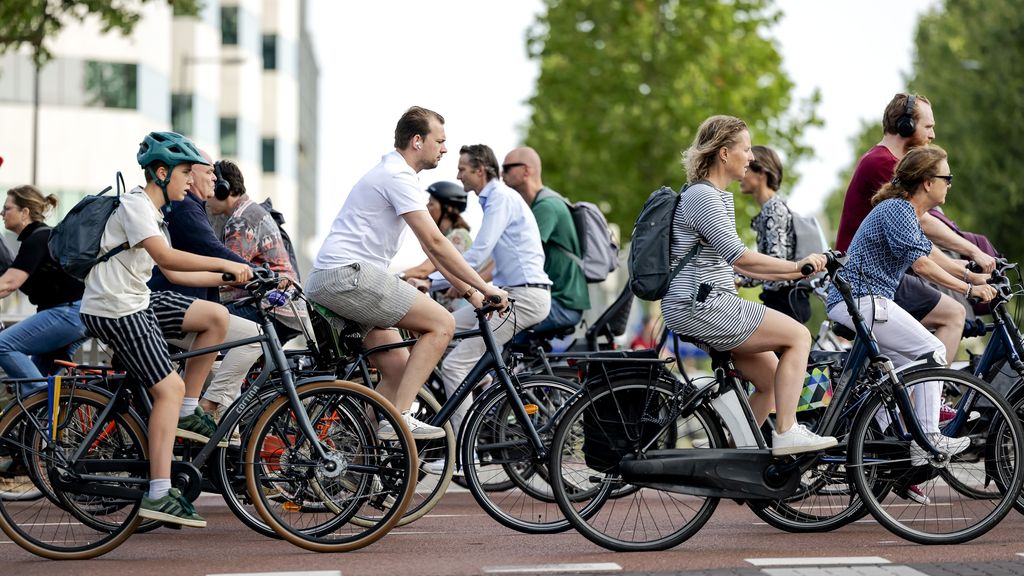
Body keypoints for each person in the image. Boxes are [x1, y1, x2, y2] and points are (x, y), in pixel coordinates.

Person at [79, 131, 252, 527]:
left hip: (136, 300)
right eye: (186, 173)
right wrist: (225, 265)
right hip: (115, 308)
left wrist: (228, 278)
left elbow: (170, 270)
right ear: (161, 172)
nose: (192, 181)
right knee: (168, 388)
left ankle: (189, 412)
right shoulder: (136, 205)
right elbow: (166, 255)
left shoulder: (156, 214)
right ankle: (159, 492)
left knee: (216, 318)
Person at [306, 106, 508, 440]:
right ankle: (398, 418)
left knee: (399, 370)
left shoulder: (396, 175)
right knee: (442, 324)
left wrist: (472, 293)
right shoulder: (397, 176)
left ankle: (352, 451)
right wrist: (486, 290)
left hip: (338, 278)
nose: (444, 149)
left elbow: (433, 250)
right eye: (440, 141)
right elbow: (435, 242)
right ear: (417, 141)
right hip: (347, 276)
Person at [661, 115, 836, 456]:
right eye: (745, 149)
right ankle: (787, 432)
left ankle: (728, 459)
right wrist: (796, 266)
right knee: (798, 336)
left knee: (771, 381)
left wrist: (796, 272)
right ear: (724, 153)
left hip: (705, 302)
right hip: (703, 305)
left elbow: (741, 264)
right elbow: (739, 258)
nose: (752, 157)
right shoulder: (703, 196)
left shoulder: (714, 196)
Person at [825, 145, 995, 477]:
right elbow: (922, 266)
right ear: (927, 182)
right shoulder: (899, 210)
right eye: (947, 177)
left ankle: (882, 433)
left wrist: (970, 273)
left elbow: (930, 254)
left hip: (864, 302)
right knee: (932, 351)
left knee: (907, 369)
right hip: (864, 300)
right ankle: (929, 439)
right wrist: (970, 290)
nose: (950, 184)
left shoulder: (906, 212)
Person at [835, 93, 995, 370]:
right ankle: (935, 396)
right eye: (929, 126)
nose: (933, 134)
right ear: (906, 125)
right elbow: (923, 237)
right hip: (867, 280)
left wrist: (965, 270)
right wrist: (971, 262)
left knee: (911, 359)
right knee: (950, 318)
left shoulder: (892, 170)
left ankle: (909, 406)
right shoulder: (884, 166)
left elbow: (922, 244)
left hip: (881, 277)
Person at [420, 144, 551, 474]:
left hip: (525, 297)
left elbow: (476, 256)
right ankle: (487, 392)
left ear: (481, 170)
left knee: (453, 366)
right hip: (512, 294)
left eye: (463, 168)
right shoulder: (494, 200)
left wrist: (428, 282)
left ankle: (468, 454)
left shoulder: (501, 199)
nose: (457, 173)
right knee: (442, 325)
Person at [144, 149, 263, 423]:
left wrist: (234, 274)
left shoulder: (189, 208)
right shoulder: (184, 208)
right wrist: (249, 272)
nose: (215, 177)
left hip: (180, 303)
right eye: (208, 170)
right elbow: (210, 253)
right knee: (251, 337)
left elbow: (190, 268)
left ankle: (202, 423)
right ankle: (203, 408)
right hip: (168, 307)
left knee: (215, 361)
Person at [206, 159, 307, 344]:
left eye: (211, 186)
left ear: (223, 189)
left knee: (207, 323)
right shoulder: (254, 210)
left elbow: (232, 274)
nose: (205, 195)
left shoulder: (241, 220)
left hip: (272, 306)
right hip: (289, 306)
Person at [0, 186, 88, 397]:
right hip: (76, 315)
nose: (2, 213)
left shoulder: (38, 238)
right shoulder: (42, 237)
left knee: (2, 345)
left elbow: (9, 283)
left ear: (24, 212)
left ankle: (44, 403)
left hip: (67, 314)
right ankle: (45, 422)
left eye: (7, 208)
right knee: (34, 381)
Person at [501, 146, 590, 333]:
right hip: (556, 300)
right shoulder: (541, 204)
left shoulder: (546, 207)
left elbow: (517, 254)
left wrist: (472, 282)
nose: (502, 173)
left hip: (562, 304)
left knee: (499, 327)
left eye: (507, 168)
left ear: (526, 170)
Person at [738, 145, 811, 323]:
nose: (741, 175)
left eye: (747, 169)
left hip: (784, 302)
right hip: (781, 300)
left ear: (761, 173)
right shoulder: (770, 209)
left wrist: (740, 280)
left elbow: (775, 262)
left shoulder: (773, 209)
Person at [401, 181, 477, 312]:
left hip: (459, 313)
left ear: (448, 209)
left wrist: (393, 278)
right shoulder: (448, 237)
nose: (426, 207)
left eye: (431, 203)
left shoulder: (458, 236)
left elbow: (423, 271)